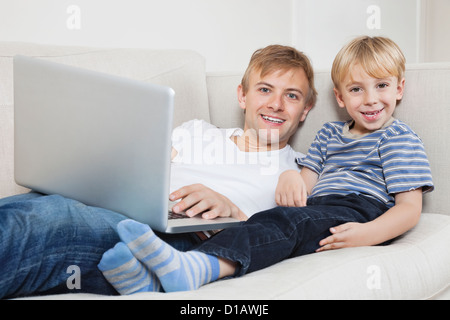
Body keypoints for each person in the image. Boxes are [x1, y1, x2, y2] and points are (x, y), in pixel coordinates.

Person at [99, 36, 434, 294]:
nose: (371, 98)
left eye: (382, 86)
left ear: (399, 89)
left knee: (285, 222)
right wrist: (291, 175)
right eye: (357, 89)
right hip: (318, 208)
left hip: (361, 211)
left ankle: (197, 267)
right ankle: (151, 286)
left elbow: (409, 207)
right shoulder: (330, 133)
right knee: (286, 219)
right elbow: (305, 183)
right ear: (341, 98)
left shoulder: (399, 139)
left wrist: (369, 234)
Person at [0, 44, 317, 298]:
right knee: (31, 206)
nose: (276, 104)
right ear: (242, 95)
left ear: (305, 110)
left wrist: (230, 216)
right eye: (265, 89)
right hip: (125, 205)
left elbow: (278, 237)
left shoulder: (298, 175)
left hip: (175, 241)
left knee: (52, 219)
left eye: (291, 95)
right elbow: (141, 162)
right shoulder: (196, 131)